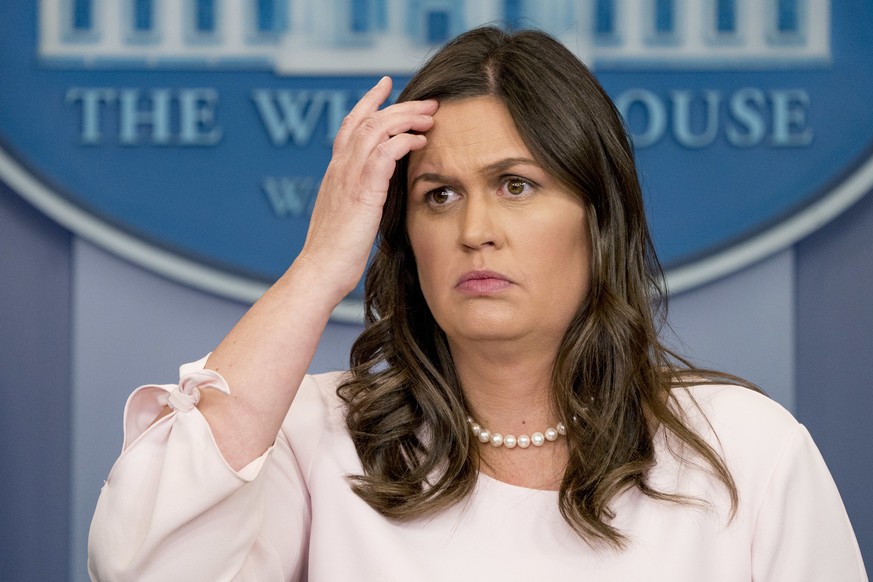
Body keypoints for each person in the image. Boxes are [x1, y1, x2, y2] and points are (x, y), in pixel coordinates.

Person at [88, 26, 867, 581]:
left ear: (599, 218)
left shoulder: (745, 452)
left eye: (516, 185)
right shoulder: (314, 438)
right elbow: (141, 563)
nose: (474, 231)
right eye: (437, 195)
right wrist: (323, 261)